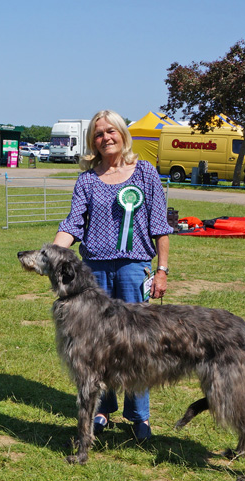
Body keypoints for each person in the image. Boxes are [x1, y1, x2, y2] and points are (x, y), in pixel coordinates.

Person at [52, 109, 172, 442]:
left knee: (137, 344)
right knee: (98, 346)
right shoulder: (88, 179)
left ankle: (139, 416)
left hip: (133, 268)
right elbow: (73, 224)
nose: (105, 137)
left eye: (110, 131)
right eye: (99, 133)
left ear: (122, 133)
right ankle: (103, 409)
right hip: (94, 272)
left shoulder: (145, 172)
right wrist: (51, 252)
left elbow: (160, 226)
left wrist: (161, 270)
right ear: (93, 140)